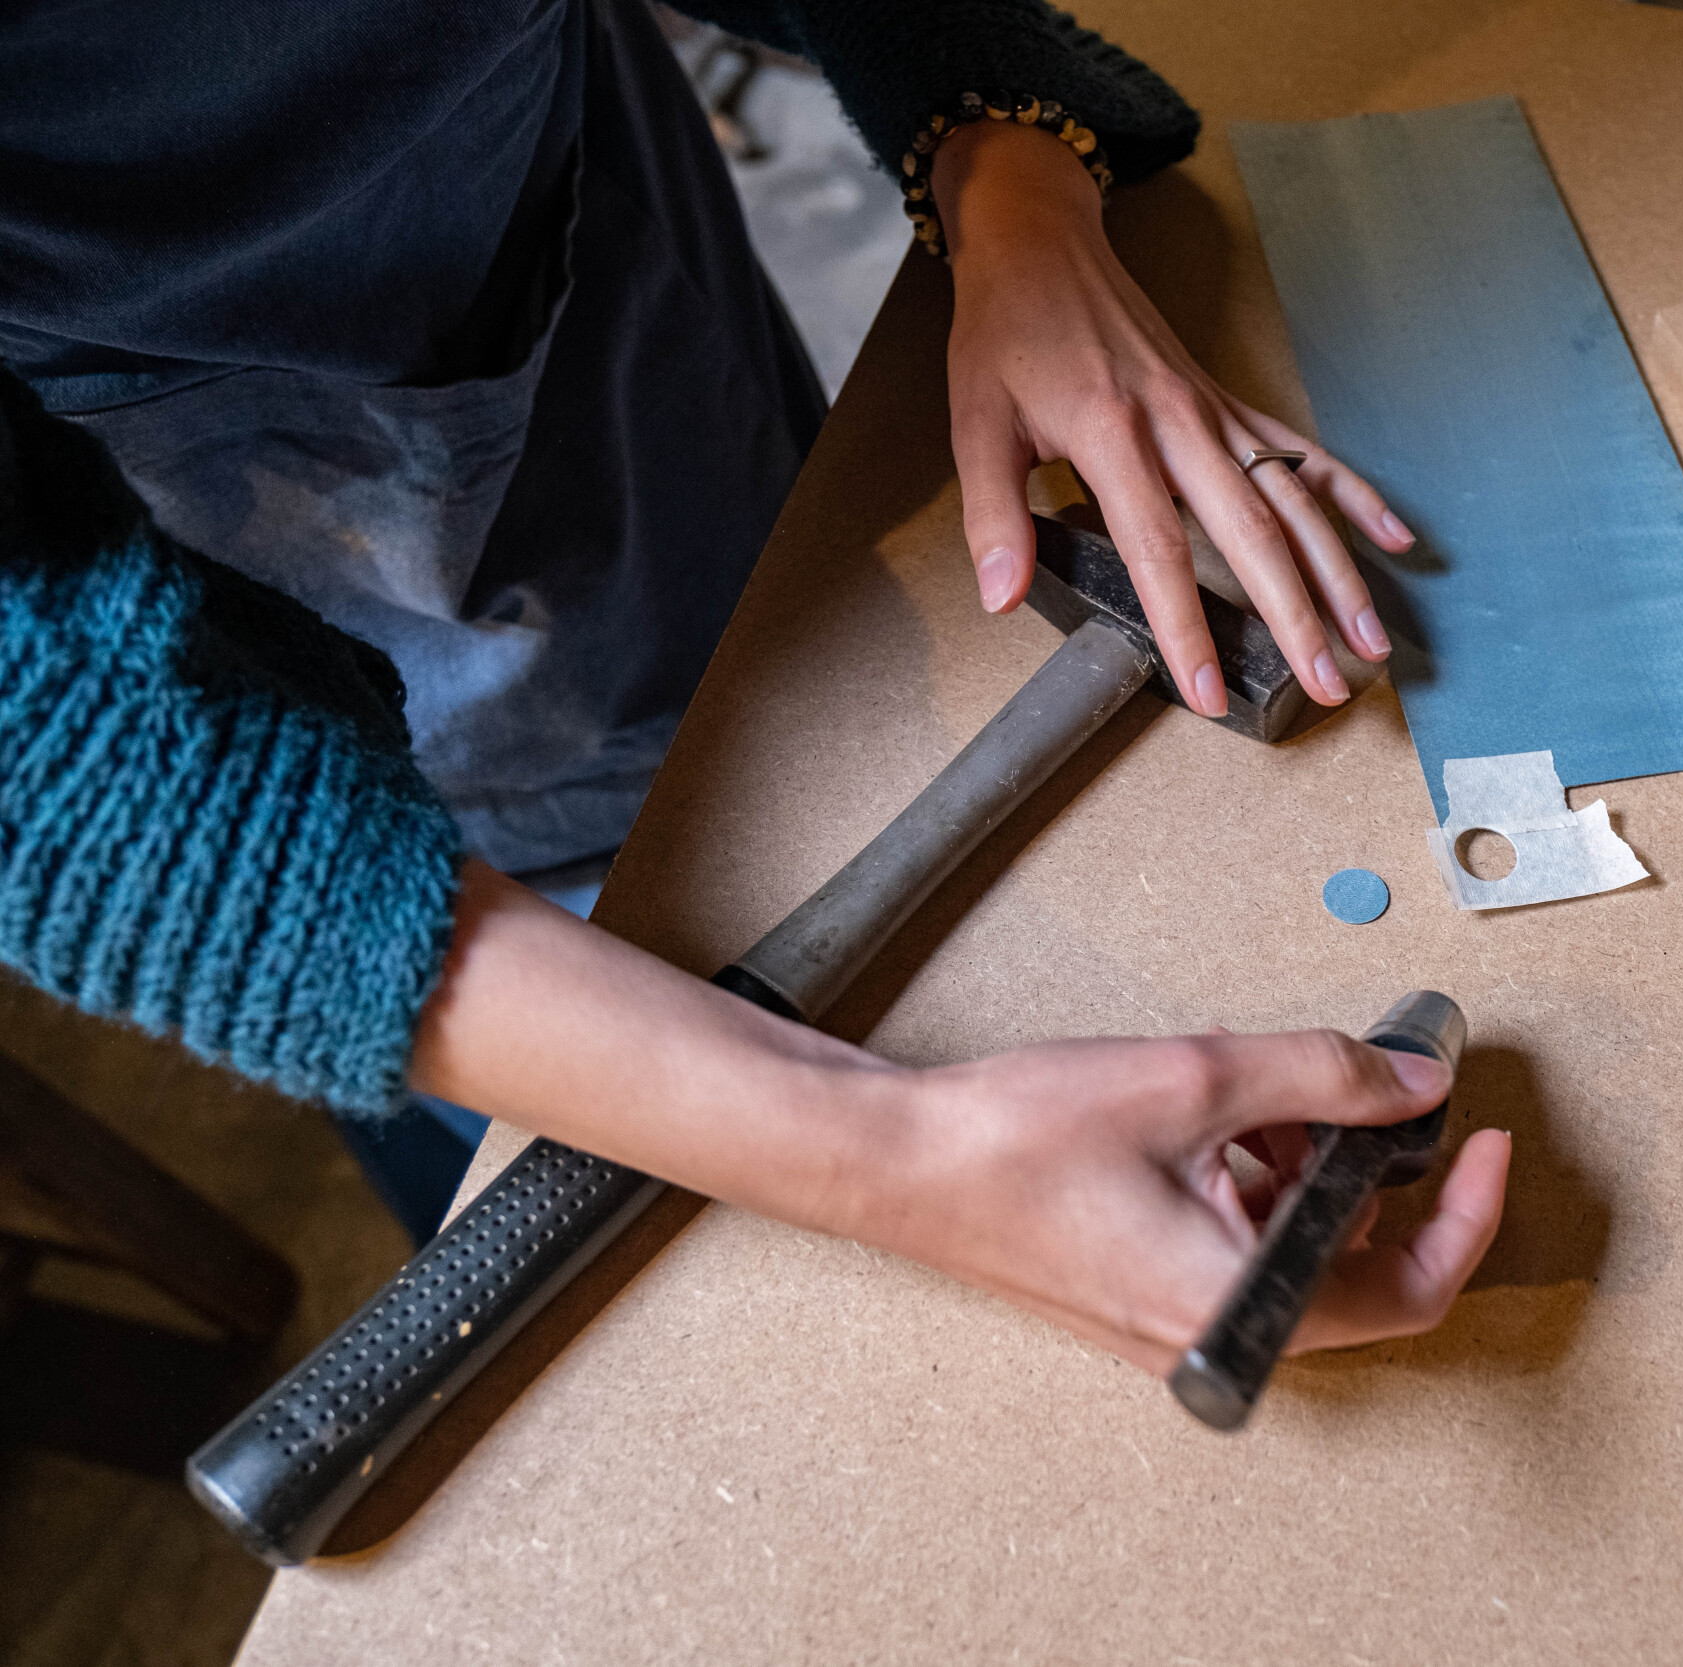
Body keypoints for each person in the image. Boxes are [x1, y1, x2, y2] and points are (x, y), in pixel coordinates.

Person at [0, 0, 1509, 1378]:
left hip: (584, 245)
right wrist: (886, 1151)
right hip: (228, 653)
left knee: (766, 620)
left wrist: (1002, 155)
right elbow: (54, 765)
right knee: (656, 1360)